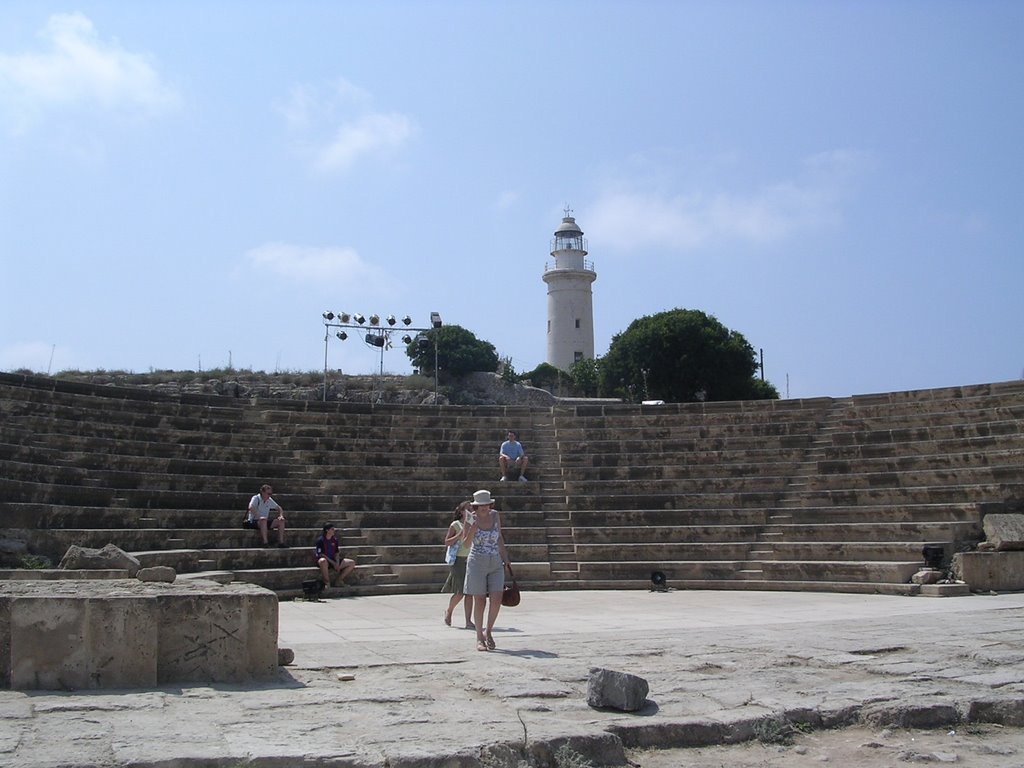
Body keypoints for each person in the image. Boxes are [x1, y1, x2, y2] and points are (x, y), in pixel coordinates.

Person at [462, 489, 512, 652]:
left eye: (486, 504)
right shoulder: (471, 518)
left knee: (497, 598)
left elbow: (499, 537)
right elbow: (465, 544)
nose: (484, 508)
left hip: (495, 561)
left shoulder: (495, 515)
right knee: (480, 600)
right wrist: (472, 529)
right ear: (476, 506)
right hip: (477, 561)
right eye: (480, 505)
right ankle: (478, 637)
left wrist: (505, 558)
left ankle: (488, 631)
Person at [442, 501, 475, 629]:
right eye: (468, 508)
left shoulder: (474, 524)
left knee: (470, 592)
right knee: (460, 591)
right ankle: (449, 610)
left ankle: (468, 620)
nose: (471, 510)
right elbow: (447, 542)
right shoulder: (455, 525)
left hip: (472, 559)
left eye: (472, 508)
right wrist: (459, 535)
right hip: (458, 560)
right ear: (461, 512)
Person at [314, 523, 355, 588]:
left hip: (333, 560)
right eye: (332, 529)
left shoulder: (334, 540)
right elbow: (321, 554)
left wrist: (337, 563)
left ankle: (339, 580)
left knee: (351, 563)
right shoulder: (320, 540)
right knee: (322, 561)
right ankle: (326, 582)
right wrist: (333, 563)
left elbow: (336, 552)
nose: (334, 531)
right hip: (326, 561)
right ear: (327, 530)